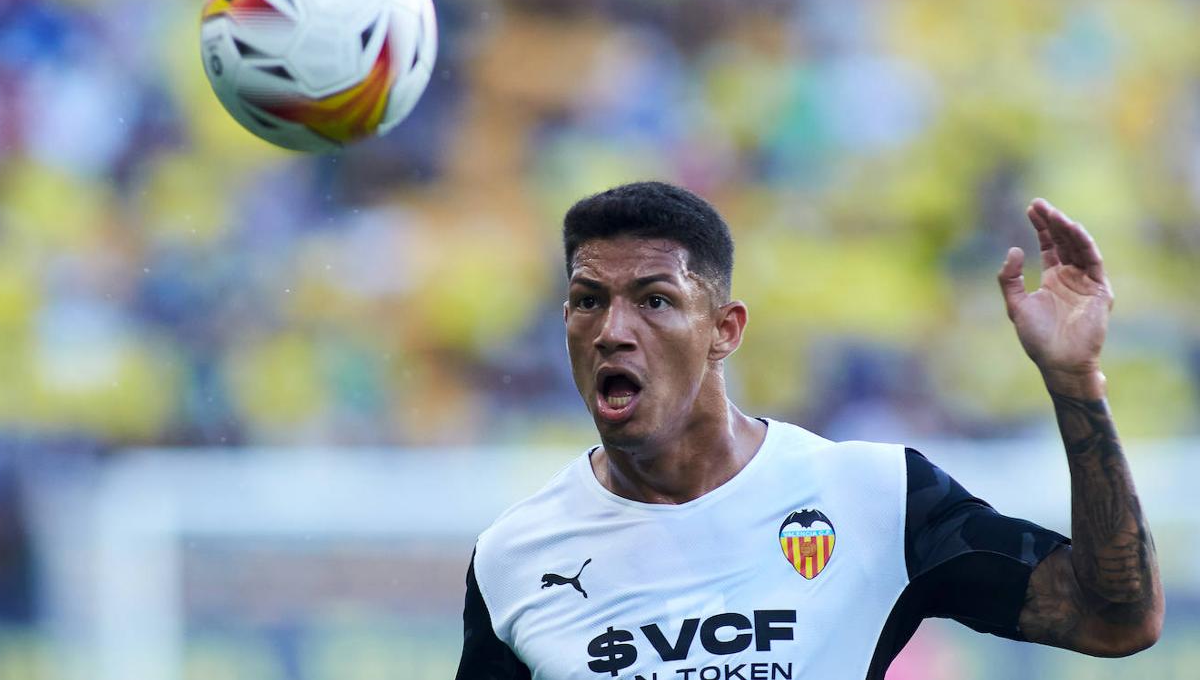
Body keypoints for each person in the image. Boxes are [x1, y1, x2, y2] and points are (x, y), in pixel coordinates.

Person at [455, 182, 1162, 680]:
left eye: (655, 301)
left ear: (723, 332)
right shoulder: (515, 557)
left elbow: (1117, 619)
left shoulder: (874, 496)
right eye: (587, 301)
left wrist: (1075, 383)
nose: (612, 331)